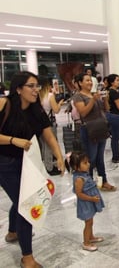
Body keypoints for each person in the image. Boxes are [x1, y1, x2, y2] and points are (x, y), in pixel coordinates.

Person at [0, 71, 64, 268]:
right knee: (25, 205)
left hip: (28, 163)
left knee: (21, 199)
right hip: (5, 163)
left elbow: (49, 136)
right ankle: (27, 258)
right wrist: (13, 140)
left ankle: (13, 232)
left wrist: (59, 157)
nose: (36, 90)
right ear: (18, 88)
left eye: (37, 86)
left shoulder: (37, 110)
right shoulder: (5, 104)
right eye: (31, 86)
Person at [72, 73, 116, 192]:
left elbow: (106, 109)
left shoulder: (93, 94)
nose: (90, 83)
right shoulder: (78, 96)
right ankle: (89, 183)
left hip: (101, 127)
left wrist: (105, 99)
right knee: (89, 159)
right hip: (89, 130)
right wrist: (93, 100)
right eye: (87, 81)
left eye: (90, 81)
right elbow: (83, 113)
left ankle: (103, 181)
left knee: (100, 159)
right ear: (80, 83)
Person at [69, 151, 105, 252]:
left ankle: (91, 237)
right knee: (88, 223)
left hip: (89, 202)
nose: (88, 164)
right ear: (76, 167)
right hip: (85, 204)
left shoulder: (84, 174)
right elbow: (79, 194)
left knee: (90, 221)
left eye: (88, 161)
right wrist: (92, 199)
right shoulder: (79, 179)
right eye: (85, 163)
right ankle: (86, 242)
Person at [38, 76, 64, 174]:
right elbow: (56, 110)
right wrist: (60, 104)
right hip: (49, 123)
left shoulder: (37, 96)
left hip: (39, 124)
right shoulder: (49, 96)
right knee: (50, 145)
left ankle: (46, 165)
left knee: (43, 145)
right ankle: (49, 167)